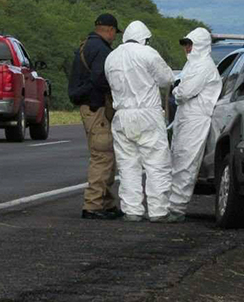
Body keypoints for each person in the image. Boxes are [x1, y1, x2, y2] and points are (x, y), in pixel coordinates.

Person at [104, 20, 176, 222]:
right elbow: (167, 78)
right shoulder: (147, 53)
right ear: (145, 38)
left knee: (128, 165)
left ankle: (132, 210)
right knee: (156, 164)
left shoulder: (111, 57)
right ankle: (158, 211)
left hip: (122, 116)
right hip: (147, 114)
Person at [68, 13, 123, 220]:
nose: (114, 37)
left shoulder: (86, 45)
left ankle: (106, 203)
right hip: (96, 107)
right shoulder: (101, 50)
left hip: (87, 105)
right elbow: (101, 79)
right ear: (109, 30)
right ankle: (93, 205)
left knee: (106, 154)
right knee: (103, 155)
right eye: (114, 33)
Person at [169, 28, 222, 220]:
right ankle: (171, 204)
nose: (187, 48)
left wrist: (177, 91)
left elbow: (184, 91)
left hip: (196, 120)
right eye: (185, 44)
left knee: (187, 162)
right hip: (186, 117)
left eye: (190, 44)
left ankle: (176, 208)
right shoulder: (192, 65)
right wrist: (179, 91)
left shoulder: (204, 66)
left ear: (200, 45)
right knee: (177, 159)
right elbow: (182, 90)